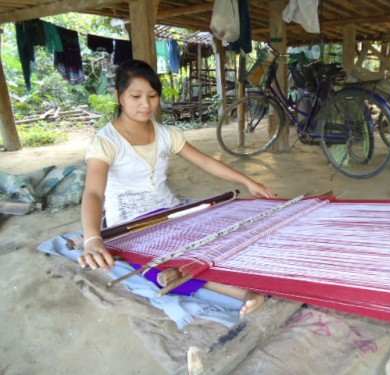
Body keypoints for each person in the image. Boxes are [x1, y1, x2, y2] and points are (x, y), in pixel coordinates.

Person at [77, 59, 274, 316]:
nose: (146, 104)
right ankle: (244, 292)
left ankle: (250, 277)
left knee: (220, 234)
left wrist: (248, 181)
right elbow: (93, 192)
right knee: (163, 268)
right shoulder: (106, 142)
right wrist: (92, 239)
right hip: (130, 223)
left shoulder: (167, 134)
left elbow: (205, 162)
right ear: (118, 96)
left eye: (152, 96)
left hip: (169, 211)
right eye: (136, 96)